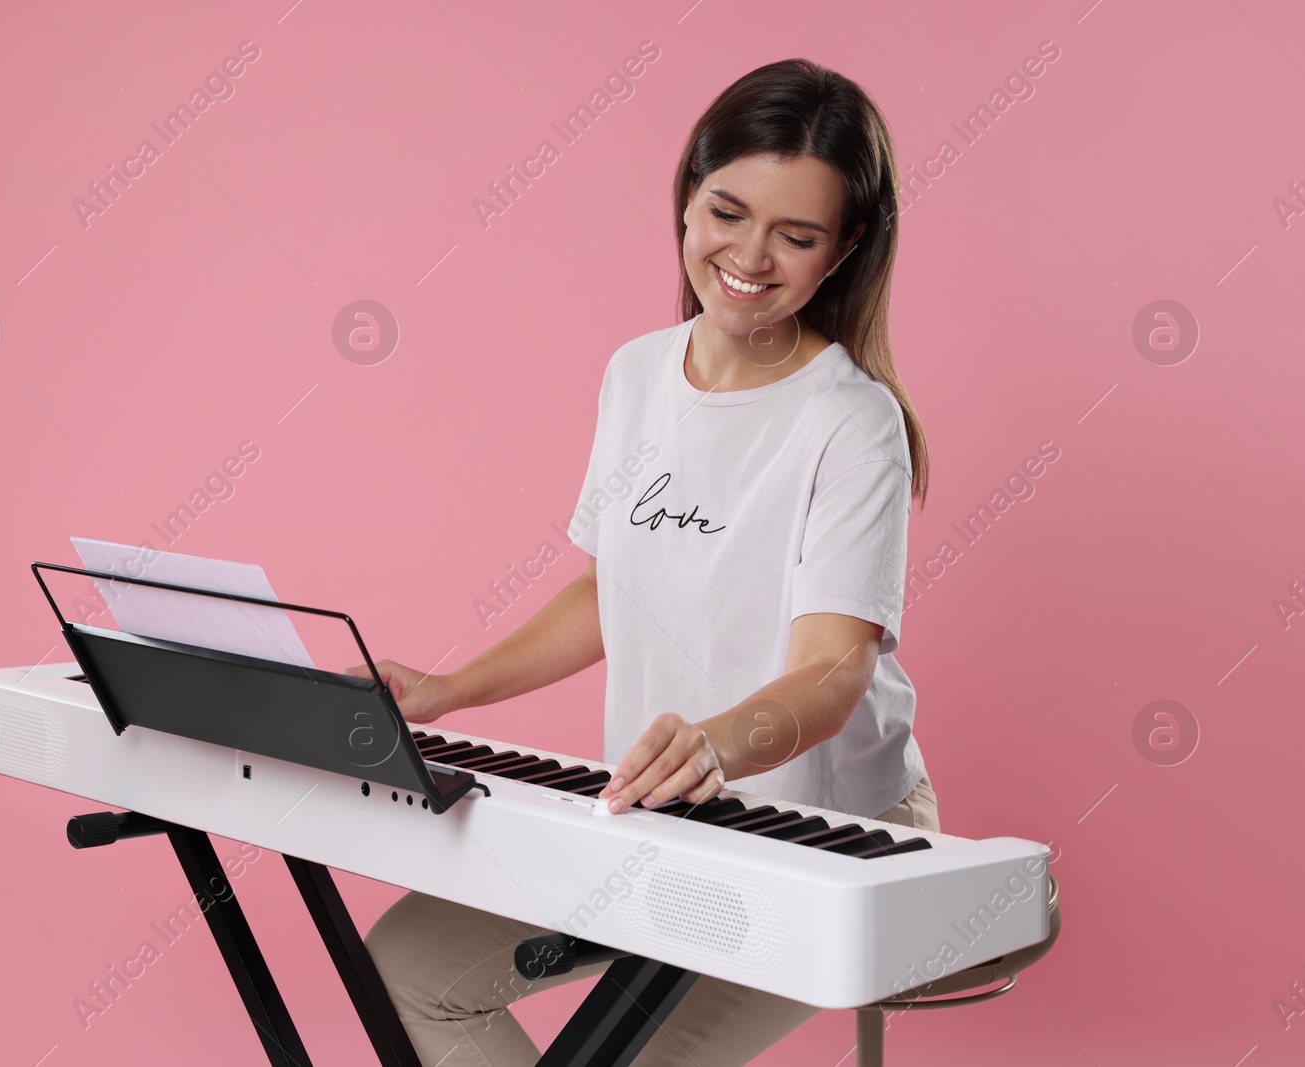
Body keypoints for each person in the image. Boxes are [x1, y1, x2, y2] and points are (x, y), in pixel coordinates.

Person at [348, 57, 937, 1067]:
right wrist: (449, 688)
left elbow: (836, 668)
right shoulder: (635, 374)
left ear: (842, 251)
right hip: (665, 814)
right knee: (405, 967)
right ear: (685, 198)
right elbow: (606, 587)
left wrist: (714, 744)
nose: (749, 256)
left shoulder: (852, 423)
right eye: (727, 211)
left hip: (823, 834)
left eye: (795, 236)